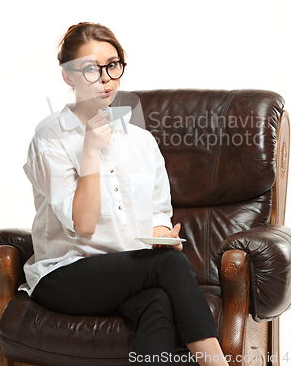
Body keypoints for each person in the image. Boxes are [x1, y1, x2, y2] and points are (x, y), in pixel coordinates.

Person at [19, 22, 229, 366]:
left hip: (128, 274)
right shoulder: (49, 138)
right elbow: (83, 225)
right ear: (67, 76)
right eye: (90, 69)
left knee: (157, 300)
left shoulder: (142, 141)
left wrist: (162, 235)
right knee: (168, 266)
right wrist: (89, 150)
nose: (104, 78)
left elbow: (159, 213)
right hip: (64, 275)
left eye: (112, 65)